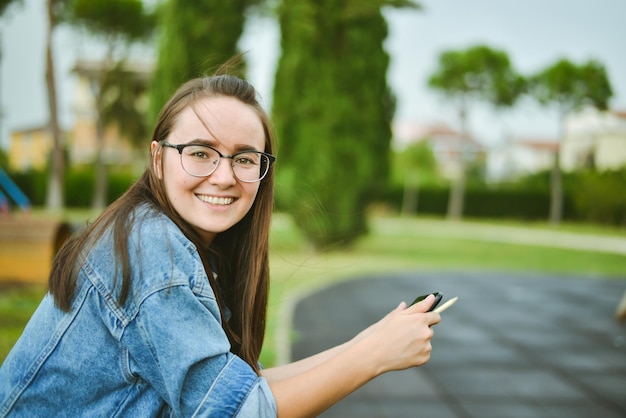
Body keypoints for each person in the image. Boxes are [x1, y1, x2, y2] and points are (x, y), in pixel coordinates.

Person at [0, 72, 440, 417]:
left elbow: (240, 385)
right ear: (158, 158)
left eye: (245, 158)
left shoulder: (180, 243)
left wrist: (365, 343)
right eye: (200, 152)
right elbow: (240, 411)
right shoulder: (151, 246)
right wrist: (372, 358)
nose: (225, 175)